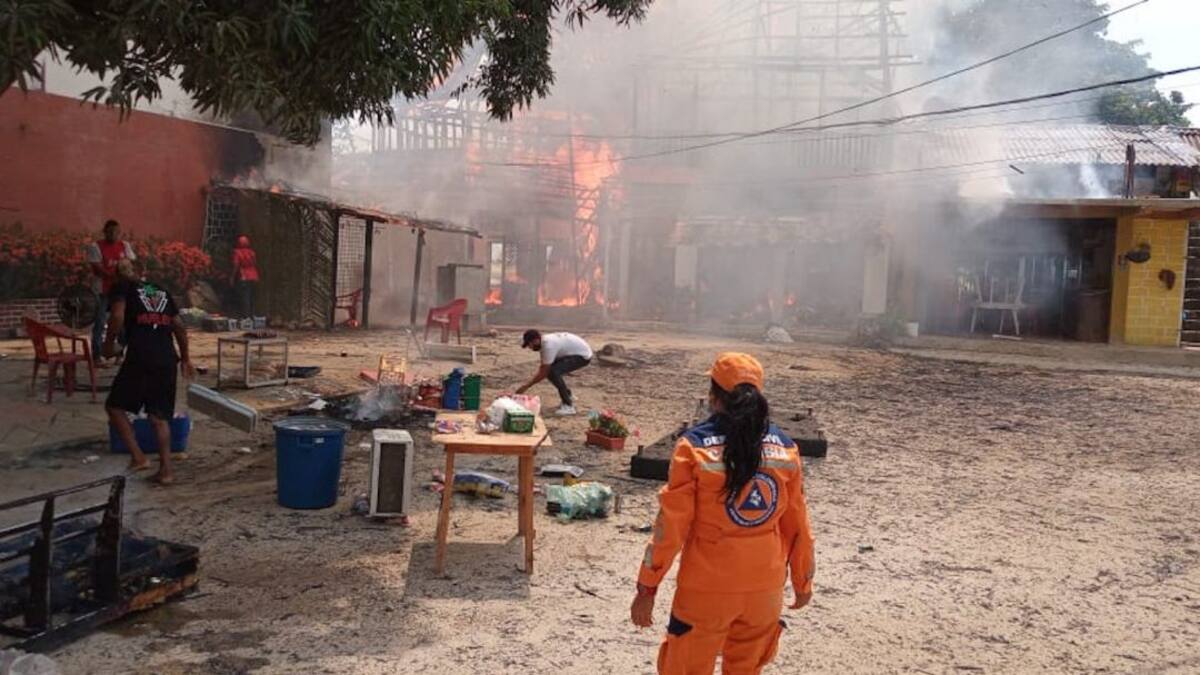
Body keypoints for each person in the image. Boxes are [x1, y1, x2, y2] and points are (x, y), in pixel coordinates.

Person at [630, 353, 815, 675]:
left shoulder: (694, 447)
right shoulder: (785, 447)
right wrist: (803, 580)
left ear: (713, 396)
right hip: (765, 588)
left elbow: (670, 529)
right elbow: (798, 524)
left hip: (706, 588)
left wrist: (647, 587)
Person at [103, 260, 195, 485]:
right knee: (159, 417)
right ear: (141, 272)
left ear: (117, 275)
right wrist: (185, 359)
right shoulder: (158, 290)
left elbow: (116, 316)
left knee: (114, 406)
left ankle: (139, 457)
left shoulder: (122, 288)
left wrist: (108, 345)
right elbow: (180, 327)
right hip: (166, 359)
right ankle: (166, 471)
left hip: (140, 357)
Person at [85, 219, 136, 365]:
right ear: (105, 232)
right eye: (111, 231)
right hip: (103, 291)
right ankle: (96, 355)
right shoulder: (96, 247)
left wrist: (127, 276)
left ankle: (119, 353)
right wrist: (116, 275)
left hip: (120, 290)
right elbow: (98, 269)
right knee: (100, 322)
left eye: (117, 232)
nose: (114, 234)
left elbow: (129, 263)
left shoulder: (124, 246)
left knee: (121, 322)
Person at [516, 329, 593, 416]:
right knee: (551, 371)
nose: (530, 348)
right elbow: (543, 367)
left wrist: (526, 386)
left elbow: (544, 372)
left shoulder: (548, 346)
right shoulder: (544, 342)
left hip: (583, 356)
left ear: (535, 340)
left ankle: (568, 406)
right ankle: (568, 395)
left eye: (529, 345)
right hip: (574, 352)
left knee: (553, 372)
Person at [230, 235, 260, 319]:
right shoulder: (252, 252)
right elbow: (255, 263)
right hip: (254, 276)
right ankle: (252, 315)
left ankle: (246, 316)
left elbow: (236, 265)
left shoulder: (237, 252)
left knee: (244, 297)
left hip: (244, 276)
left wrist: (232, 277)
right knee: (252, 297)